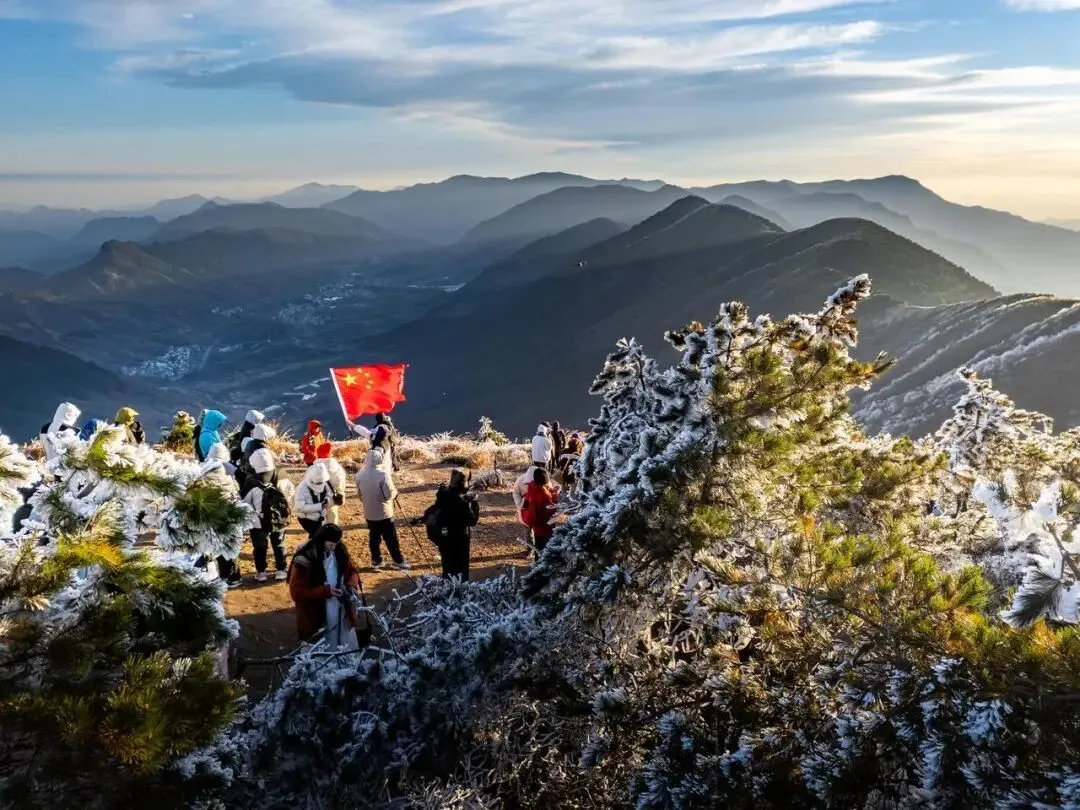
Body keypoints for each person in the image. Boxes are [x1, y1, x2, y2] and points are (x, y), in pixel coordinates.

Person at [287, 524, 362, 649]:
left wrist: (350, 587)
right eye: (330, 545)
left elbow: (352, 572)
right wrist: (325, 591)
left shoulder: (339, 552)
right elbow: (297, 592)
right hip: (316, 614)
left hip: (340, 610)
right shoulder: (304, 559)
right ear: (322, 540)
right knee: (322, 647)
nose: (333, 548)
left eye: (335, 544)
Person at [241, 448, 290, 583]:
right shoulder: (281, 475)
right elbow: (289, 493)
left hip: (258, 522)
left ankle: (261, 573)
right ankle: (281, 570)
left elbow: (244, 503)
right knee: (279, 543)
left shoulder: (251, 482)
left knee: (260, 547)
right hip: (279, 519)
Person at [355, 446, 408, 570]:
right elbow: (388, 494)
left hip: (369, 513)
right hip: (384, 512)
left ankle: (376, 560)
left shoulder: (359, 475)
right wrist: (395, 493)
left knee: (374, 537)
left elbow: (360, 495)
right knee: (391, 537)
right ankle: (398, 560)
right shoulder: (383, 475)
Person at [200, 442, 243, 588]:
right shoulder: (230, 469)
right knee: (231, 544)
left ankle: (222, 575)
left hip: (211, 513)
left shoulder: (203, 469)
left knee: (217, 543)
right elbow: (237, 492)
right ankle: (233, 577)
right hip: (229, 512)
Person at [428, 469, 480, 581]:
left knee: (447, 565)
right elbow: (472, 521)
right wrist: (474, 503)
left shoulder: (442, 495)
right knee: (461, 568)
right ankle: (460, 591)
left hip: (444, 536)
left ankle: (447, 587)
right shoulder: (462, 503)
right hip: (460, 538)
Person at [521, 467, 559, 557]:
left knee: (539, 548)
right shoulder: (541, 495)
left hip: (539, 528)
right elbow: (551, 508)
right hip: (544, 528)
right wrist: (556, 497)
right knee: (543, 551)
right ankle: (540, 568)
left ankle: (538, 565)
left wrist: (554, 492)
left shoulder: (533, 488)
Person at [293, 463, 331, 537]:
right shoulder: (302, 488)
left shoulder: (324, 482)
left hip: (320, 517)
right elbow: (299, 507)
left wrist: (327, 500)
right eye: (318, 483)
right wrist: (320, 506)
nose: (320, 485)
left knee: (317, 537)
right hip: (306, 519)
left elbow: (329, 493)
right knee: (317, 536)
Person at [314, 442, 347, 525]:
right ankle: (332, 533)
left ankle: (321, 533)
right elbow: (340, 480)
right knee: (332, 515)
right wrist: (340, 492)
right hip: (331, 497)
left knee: (320, 517)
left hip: (317, 498)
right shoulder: (335, 467)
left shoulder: (313, 468)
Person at [513, 464, 541, 548]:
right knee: (527, 528)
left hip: (538, 508)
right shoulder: (520, 480)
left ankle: (539, 548)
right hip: (526, 508)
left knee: (539, 528)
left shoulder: (543, 479)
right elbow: (515, 493)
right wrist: (519, 504)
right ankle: (530, 548)